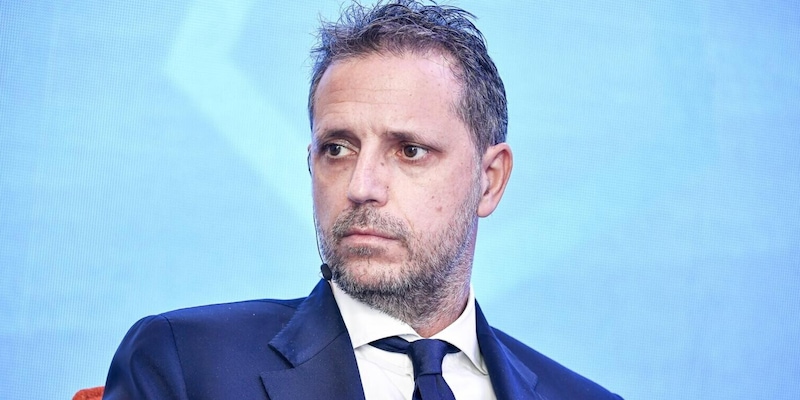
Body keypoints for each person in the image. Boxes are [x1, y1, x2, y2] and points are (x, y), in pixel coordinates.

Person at [103, 1, 622, 399]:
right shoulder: (186, 364)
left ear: (489, 180)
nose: (361, 186)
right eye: (337, 148)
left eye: (410, 150)